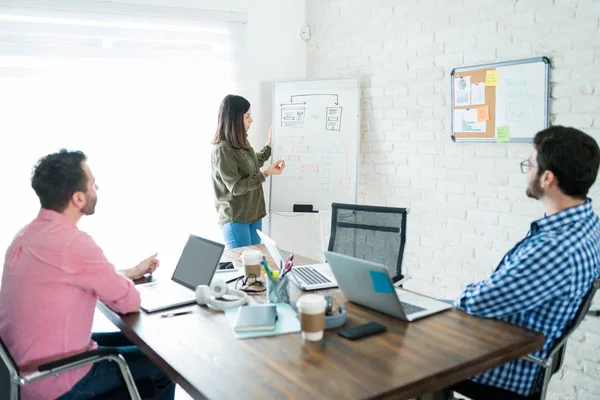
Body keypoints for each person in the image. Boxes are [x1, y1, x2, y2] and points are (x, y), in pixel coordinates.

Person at [0, 150, 175, 400]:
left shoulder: (25, 235)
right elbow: (129, 301)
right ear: (79, 198)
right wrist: (122, 281)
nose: (97, 187)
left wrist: (130, 272)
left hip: (27, 370)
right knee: (164, 367)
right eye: (93, 183)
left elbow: (71, 279)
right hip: (59, 380)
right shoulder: (73, 243)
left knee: (144, 346)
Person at [448, 126, 600, 399]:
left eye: (529, 165)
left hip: (505, 366)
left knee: (409, 356)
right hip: (518, 344)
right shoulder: (588, 226)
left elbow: (477, 302)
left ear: (547, 178)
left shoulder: (555, 249)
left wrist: (459, 295)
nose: (526, 171)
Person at [211, 94, 285, 248]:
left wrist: (269, 146)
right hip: (236, 219)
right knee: (244, 267)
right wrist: (266, 174)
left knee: (254, 266)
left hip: (253, 215)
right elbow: (236, 187)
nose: (251, 121)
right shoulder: (222, 150)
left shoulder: (241, 142)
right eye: (247, 116)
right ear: (235, 119)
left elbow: (251, 164)